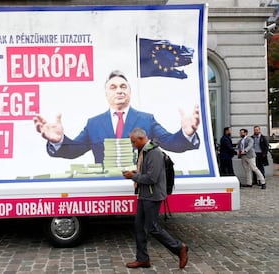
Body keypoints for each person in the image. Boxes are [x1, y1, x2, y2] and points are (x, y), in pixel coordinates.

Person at [33, 70, 200, 164]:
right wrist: (58, 141)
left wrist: (187, 134)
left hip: (140, 187)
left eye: (123, 86)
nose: (119, 90)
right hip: (105, 189)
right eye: (113, 87)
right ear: (106, 94)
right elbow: (75, 150)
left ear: (129, 92)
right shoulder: (94, 124)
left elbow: (171, 143)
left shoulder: (147, 120)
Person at [122, 128, 188, 269]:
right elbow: (147, 173)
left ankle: (179, 248)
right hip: (144, 194)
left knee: (152, 228)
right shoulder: (146, 151)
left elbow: (152, 178)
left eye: (134, 142)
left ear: (141, 139)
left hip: (152, 196)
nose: (133, 145)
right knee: (139, 227)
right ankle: (143, 259)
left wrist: (132, 176)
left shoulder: (154, 153)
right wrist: (136, 172)